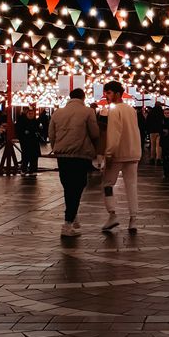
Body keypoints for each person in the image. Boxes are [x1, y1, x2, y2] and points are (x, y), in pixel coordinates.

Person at [49, 88, 100, 237]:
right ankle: (68, 223)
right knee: (78, 187)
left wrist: (57, 148)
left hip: (62, 156)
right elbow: (95, 133)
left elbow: (51, 134)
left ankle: (73, 215)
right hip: (80, 155)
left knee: (68, 187)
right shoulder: (88, 112)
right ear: (83, 98)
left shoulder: (57, 113)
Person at [101, 80, 142, 232]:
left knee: (107, 183)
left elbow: (114, 133)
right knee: (131, 186)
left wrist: (109, 152)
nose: (107, 96)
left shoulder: (114, 110)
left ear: (117, 94)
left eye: (109, 93)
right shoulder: (131, 110)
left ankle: (112, 214)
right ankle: (133, 219)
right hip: (133, 152)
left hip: (118, 154)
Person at [16, 106, 42, 174]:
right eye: (29, 114)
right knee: (26, 157)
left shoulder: (36, 122)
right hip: (26, 142)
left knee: (34, 157)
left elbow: (39, 130)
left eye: (32, 114)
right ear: (27, 114)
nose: (31, 115)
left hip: (34, 142)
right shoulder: (23, 122)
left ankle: (33, 170)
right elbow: (19, 132)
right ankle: (24, 169)